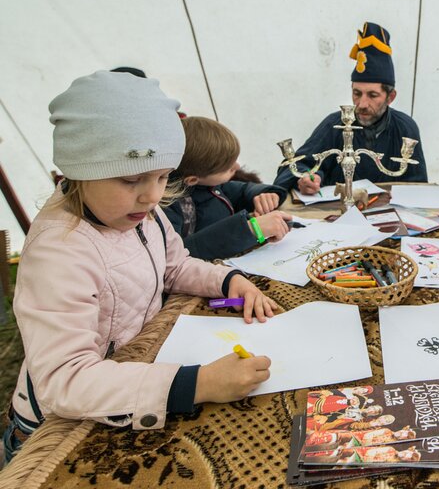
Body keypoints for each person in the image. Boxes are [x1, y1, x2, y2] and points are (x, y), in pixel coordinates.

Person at [3, 71, 274, 464]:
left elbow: (175, 264)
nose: (153, 195)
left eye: (164, 177)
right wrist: (199, 383)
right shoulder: (58, 252)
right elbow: (66, 380)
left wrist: (228, 280)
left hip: (133, 375)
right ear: (81, 170)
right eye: (132, 178)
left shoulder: (138, 211)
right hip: (56, 429)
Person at [274, 22, 427, 193]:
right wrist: (306, 177)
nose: (361, 104)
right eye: (357, 93)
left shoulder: (405, 128)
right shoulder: (335, 124)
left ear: (390, 97)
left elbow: (418, 188)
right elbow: (295, 167)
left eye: (372, 95)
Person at [164, 116, 293, 261]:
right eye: (227, 168)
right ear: (192, 179)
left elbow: (243, 190)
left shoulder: (210, 186)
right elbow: (179, 254)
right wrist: (251, 229)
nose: (237, 167)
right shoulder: (170, 207)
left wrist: (266, 195)